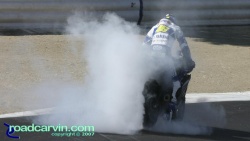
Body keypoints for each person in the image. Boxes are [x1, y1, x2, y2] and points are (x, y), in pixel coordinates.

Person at [143, 14, 195, 108]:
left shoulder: (155, 27)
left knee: (143, 78)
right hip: (164, 57)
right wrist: (189, 60)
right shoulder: (175, 27)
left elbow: (144, 46)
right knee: (176, 82)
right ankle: (173, 102)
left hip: (151, 58)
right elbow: (184, 46)